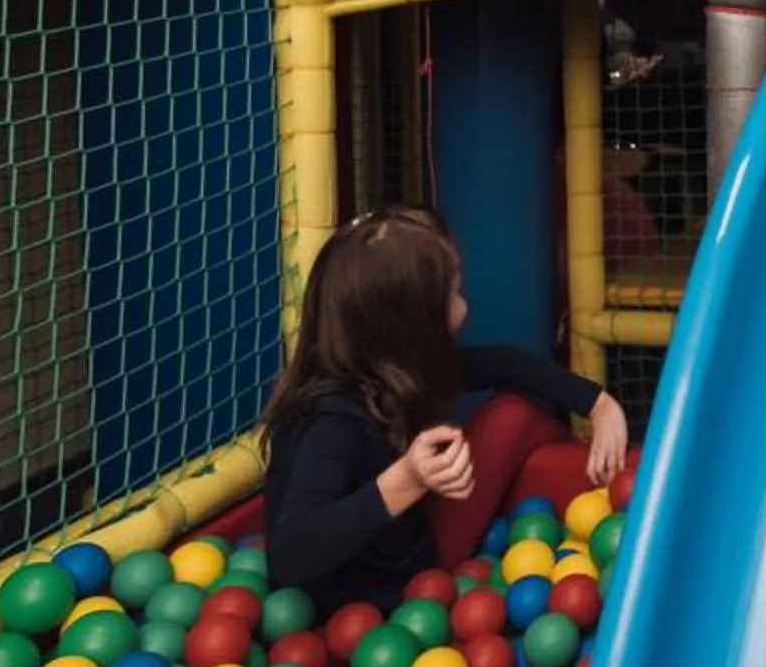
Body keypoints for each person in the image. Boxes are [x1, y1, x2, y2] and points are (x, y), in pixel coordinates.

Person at [260, 206, 628, 614]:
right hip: (387, 602)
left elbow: (503, 362)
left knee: (516, 408)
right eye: (451, 295)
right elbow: (290, 554)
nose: (464, 309)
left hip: (399, 575)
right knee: (515, 416)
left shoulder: (391, 370)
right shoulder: (331, 422)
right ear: (410, 324)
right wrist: (407, 479)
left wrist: (600, 405)